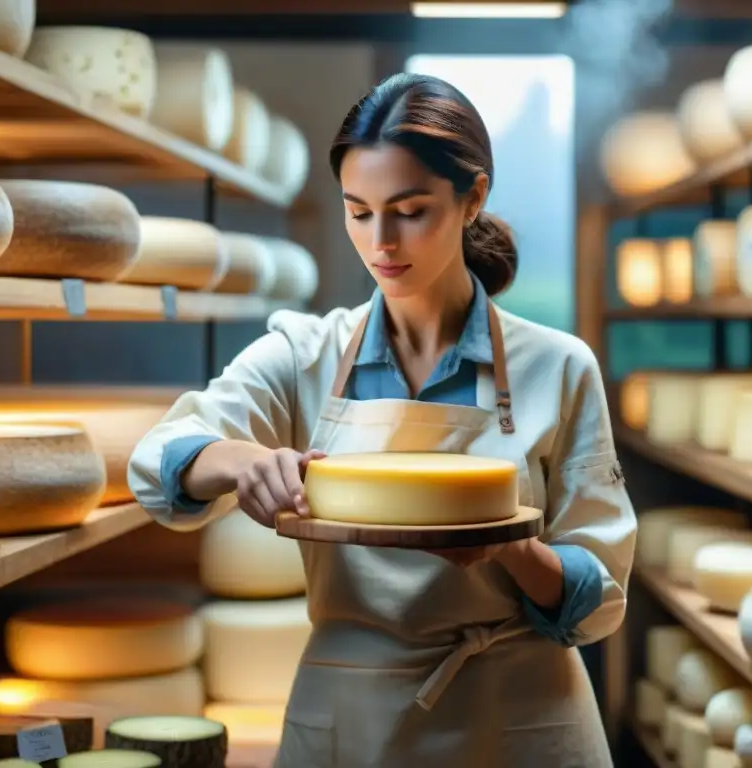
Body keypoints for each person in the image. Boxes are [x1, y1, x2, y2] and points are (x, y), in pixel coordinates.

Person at [128, 72, 637, 768]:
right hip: (350, 712)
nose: (381, 242)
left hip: (520, 709)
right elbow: (157, 461)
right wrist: (240, 462)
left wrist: (505, 547)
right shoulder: (303, 356)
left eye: (410, 210)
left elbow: (598, 594)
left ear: (473, 198)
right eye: (359, 210)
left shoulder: (558, 366)